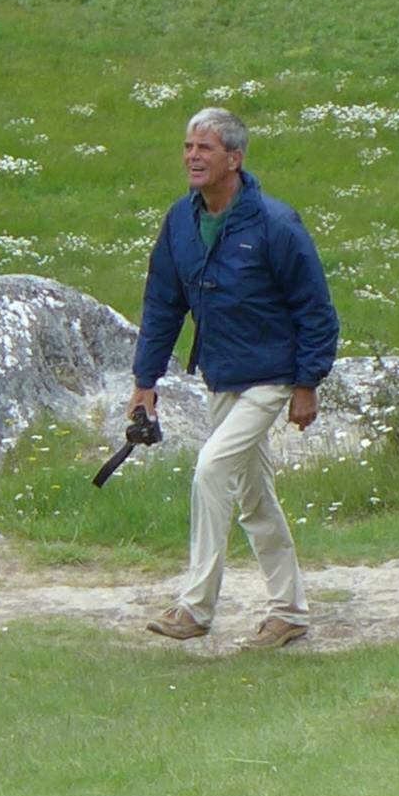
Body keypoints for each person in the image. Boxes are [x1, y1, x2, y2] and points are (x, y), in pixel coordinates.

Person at [131, 105, 339, 651]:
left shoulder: (275, 224)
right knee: (255, 499)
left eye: (205, 148)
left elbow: (316, 309)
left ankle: (195, 608)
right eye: (188, 147)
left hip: (271, 376)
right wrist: (145, 380)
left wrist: (307, 383)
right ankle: (289, 612)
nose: (192, 157)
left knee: (210, 469)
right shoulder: (180, 222)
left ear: (234, 159)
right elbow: (163, 304)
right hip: (222, 376)